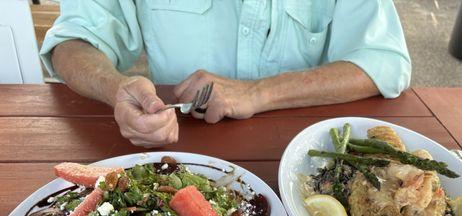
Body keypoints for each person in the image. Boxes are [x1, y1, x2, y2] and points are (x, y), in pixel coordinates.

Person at [41, 0, 411, 148]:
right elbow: (72, 41)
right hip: (174, 148)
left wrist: (258, 92)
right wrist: (115, 87)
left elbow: (384, 61)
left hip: (305, 156)